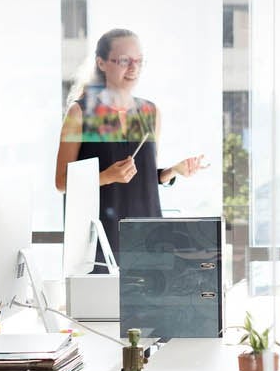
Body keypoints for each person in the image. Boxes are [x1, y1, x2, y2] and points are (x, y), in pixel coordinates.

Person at [54, 28, 209, 270]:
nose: (133, 68)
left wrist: (172, 171)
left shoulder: (150, 112)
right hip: (99, 243)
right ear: (102, 63)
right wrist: (106, 176)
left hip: (148, 239)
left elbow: (143, 176)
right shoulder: (81, 113)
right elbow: (62, 182)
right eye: (125, 60)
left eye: (139, 61)